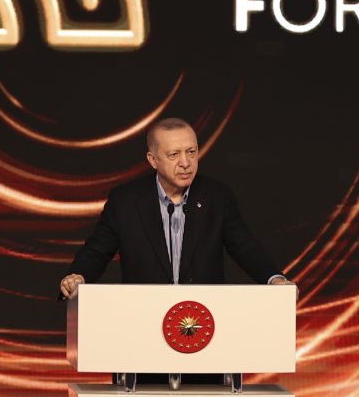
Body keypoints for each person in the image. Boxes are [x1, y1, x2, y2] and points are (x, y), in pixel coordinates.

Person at [59, 117, 290, 297]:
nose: (186, 163)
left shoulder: (217, 197)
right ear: (153, 160)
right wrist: (78, 276)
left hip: (203, 322)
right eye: (174, 154)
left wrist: (274, 278)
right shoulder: (126, 201)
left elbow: (245, 247)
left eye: (191, 152)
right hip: (144, 319)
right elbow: (97, 251)